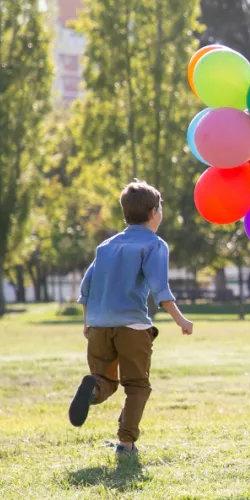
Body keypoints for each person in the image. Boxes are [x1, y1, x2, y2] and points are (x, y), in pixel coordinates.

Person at [68, 180, 194, 457]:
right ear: (153, 213)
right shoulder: (154, 244)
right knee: (136, 386)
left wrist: (87, 323)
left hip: (99, 325)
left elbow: (86, 287)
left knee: (105, 381)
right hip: (132, 327)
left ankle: (93, 390)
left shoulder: (106, 246)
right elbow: (160, 288)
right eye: (160, 208)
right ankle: (125, 444)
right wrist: (181, 320)